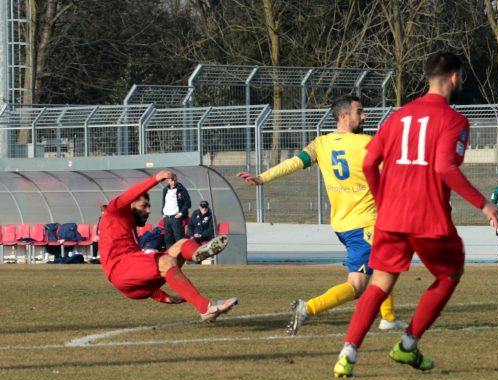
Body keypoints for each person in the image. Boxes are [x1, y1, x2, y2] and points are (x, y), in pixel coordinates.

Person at [332, 52, 498, 378]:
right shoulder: (454, 121)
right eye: (462, 77)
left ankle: (347, 353)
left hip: (391, 217)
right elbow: (443, 166)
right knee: (449, 275)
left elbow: (369, 164)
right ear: (454, 78)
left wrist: (384, 201)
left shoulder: (396, 118)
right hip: (428, 217)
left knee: (380, 282)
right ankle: (407, 345)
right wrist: (485, 204)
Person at [237, 95, 405, 336]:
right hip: (365, 224)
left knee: (384, 265)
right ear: (344, 116)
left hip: (342, 224)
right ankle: (308, 308)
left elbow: (294, 163)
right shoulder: (369, 143)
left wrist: (263, 177)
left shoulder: (321, 143)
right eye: (360, 112)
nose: (365, 116)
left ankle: (388, 318)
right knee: (358, 285)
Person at [99, 169, 237, 321]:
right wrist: (157, 178)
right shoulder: (114, 210)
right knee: (165, 260)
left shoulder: (128, 227)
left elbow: (140, 271)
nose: (149, 210)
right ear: (130, 204)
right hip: (120, 270)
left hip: (136, 283)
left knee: (181, 244)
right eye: (144, 206)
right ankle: (205, 307)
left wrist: (163, 297)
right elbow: (129, 194)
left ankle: (197, 253)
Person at [161, 174, 191, 249]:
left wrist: (181, 213)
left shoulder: (181, 189)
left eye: (175, 180)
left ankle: (181, 256)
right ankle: (170, 255)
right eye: (172, 180)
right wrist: (163, 212)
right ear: (168, 181)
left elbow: (187, 203)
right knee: (168, 238)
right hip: (167, 217)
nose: (174, 182)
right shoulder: (165, 190)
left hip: (176, 217)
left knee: (179, 238)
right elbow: (164, 202)